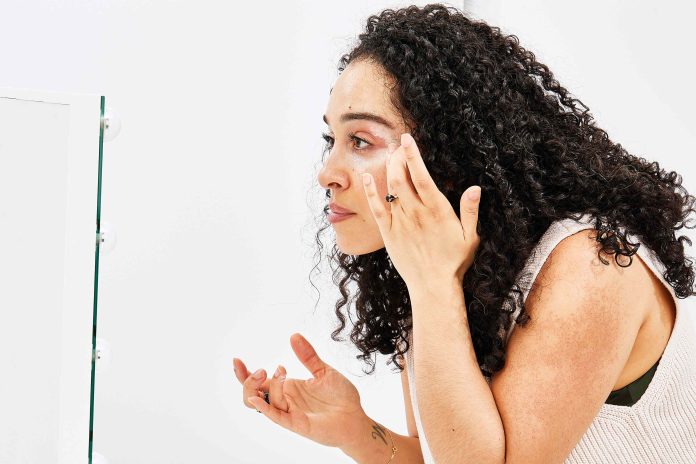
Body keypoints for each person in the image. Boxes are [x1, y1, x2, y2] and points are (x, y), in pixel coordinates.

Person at [233, 4, 696, 463]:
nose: (327, 174)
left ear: (449, 157)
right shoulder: (433, 270)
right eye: (331, 140)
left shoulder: (590, 265)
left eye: (360, 141)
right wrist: (357, 432)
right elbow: (447, 453)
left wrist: (433, 286)